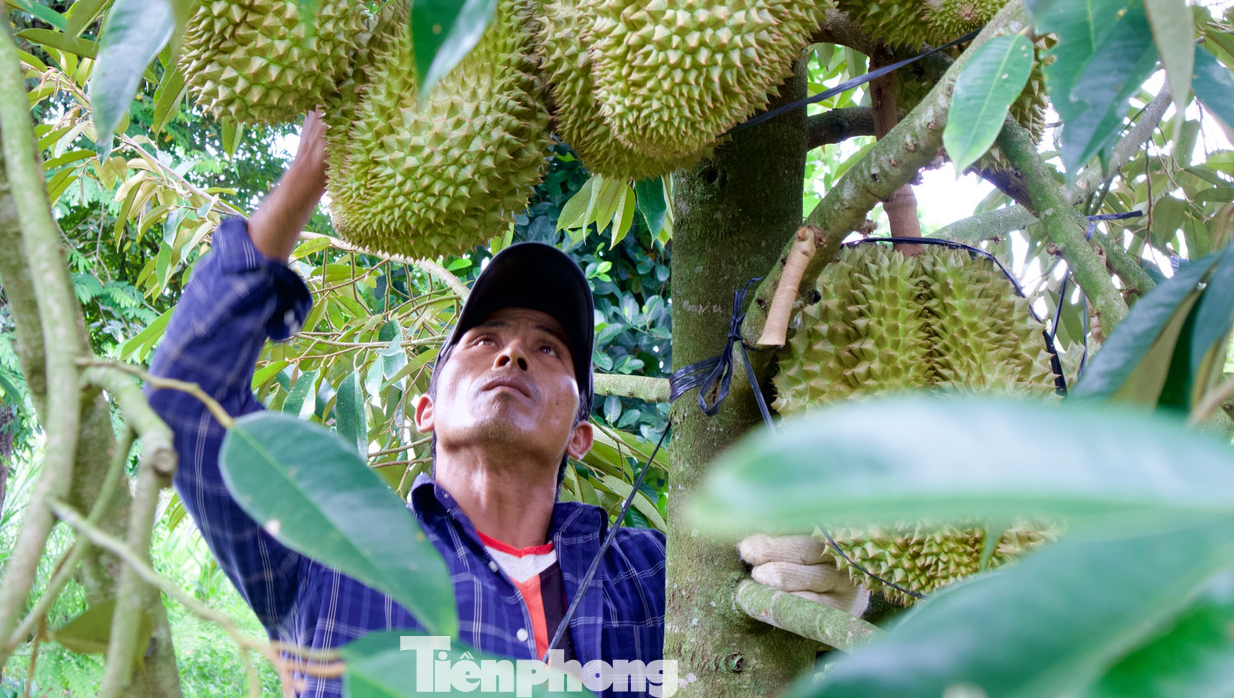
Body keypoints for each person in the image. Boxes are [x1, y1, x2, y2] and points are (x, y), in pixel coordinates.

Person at [146, 112, 865, 698]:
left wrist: (835, 584)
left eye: (548, 349)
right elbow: (185, 401)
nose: (512, 354)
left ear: (580, 435)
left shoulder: (659, 574)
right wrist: (305, 178)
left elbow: (841, 611)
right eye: (485, 339)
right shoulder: (330, 555)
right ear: (427, 410)